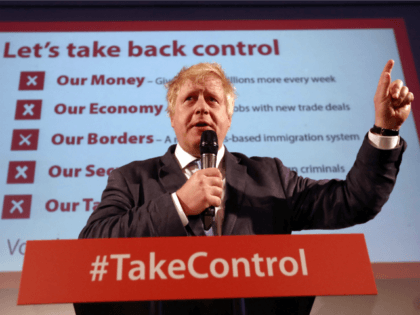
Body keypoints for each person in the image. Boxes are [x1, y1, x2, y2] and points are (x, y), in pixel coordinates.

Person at [74, 60, 413, 315]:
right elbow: (91, 248)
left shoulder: (270, 176)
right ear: (172, 116)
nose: (202, 107)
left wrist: (384, 131)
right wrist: (178, 204)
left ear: (229, 116)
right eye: (190, 99)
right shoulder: (131, 179)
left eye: (212, 99)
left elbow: (352, 201)